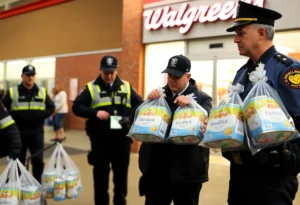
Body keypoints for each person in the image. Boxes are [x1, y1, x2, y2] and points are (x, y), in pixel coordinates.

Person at [222, 1, 300, 205]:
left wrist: (289, 164)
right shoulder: (241, 73)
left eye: (241, 33)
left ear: (261, 33)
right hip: (240, 174)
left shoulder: (287, 70)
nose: (235, 39)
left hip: (271, 178)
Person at [139, 54, 212, 205]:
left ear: (188, 76)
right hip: (157, 172)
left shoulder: (202, 99)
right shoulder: (158, 96)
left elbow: (209, 121)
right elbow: (137, 119)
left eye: (176, 76)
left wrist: (193, 106)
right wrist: (148, 102)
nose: (171, 79)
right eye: (169, 75)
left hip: (187, 173)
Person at [72, 55, 143, 205]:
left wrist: (130, 118)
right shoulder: (91, 88)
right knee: (100, 178)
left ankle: (120, 202)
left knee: (121, 177)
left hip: (122, 139)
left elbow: (140, 104)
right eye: (106, 72)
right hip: (100, 141)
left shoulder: (126, 86)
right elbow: (77, 107)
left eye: (112, 72)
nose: (109, 76)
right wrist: (94, 113)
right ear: (100, 70)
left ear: (117, 70)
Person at [3, 65, 55, 183]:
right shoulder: (13, 92)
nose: (30, 78)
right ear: (22, 76)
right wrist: (15, 116)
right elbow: (3, 109)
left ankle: (37, 188)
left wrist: (41, 115)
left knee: (37, 160)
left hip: (36, 132)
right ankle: (19, 187)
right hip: (18, 131)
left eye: (32, 75)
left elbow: (51, 107)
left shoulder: (42, 91)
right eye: (27, 75)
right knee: (18, 161)